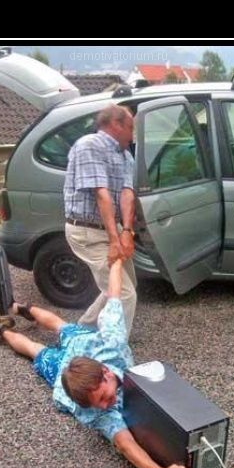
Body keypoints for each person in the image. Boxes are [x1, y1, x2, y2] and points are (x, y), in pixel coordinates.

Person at [0, 259, 192, 468]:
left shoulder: (112, 342)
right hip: (65, 367)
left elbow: (114, 295)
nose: (105, 406)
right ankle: (2, 329)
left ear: (106, 373)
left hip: (83, 345)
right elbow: (125, 445)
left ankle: (21, 308)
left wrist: (117, 262)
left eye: (103, 397)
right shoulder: (91, 407)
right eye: (100, 403)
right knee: (36, 350)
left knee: (60, 326)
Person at [63, 104, 137, 338]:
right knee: (123, 294)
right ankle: (113, 349)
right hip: (87, 231)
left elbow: (127, 194)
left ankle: (83, 330)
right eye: (131, 128)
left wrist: (126, 231)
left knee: (122, 285)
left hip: (110, 228)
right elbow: (101, 194)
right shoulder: (89, 145)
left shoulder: (125, 155)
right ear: (116, 124)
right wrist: (115, 241)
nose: (132, 135)